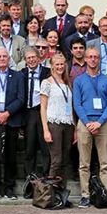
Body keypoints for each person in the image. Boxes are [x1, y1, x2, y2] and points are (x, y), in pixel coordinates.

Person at [72, 47, 107, 208]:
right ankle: (85, 195)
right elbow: (77, 103)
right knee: (84, 163)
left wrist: (100, 121)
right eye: (89, 57)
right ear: (85, 59)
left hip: (103, 124)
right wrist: (87, 122)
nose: (92, 60)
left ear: (99, 59)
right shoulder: (79, 80)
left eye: (95, 57)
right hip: (85, 123)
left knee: (105, 163)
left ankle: (104, 195)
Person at [0, 47, 25, 200]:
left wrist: (7, 113)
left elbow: (21, 98)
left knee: (10, 156)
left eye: (5, 56)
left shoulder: (17, 76)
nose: (2, 59)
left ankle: (9, 187)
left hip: (11, 120)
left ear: (9, 59)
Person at [40, 53, 74, 185]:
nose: (60, 67)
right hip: (54, 123)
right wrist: (45, 130)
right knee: (56, 160)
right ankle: (51, 193)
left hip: (68, 123)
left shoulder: (66, 82)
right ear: (52, 66)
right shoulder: (47, 82)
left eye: (62, 64)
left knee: (65, 160)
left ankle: (62, 192)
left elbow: (70, 107)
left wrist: (75, 128)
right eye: (57, 64)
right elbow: (43, 107)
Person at [20, 47, 51, 178]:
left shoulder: (48, 72)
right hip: (29, 112)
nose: (31, 60)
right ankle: (30, 179)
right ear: (25, 61)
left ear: (39, 58)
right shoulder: (21, 73)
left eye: (33, 57)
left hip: (45, 111)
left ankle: (46, 177)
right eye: (28, 58)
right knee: (29, 148)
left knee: (46, 148)